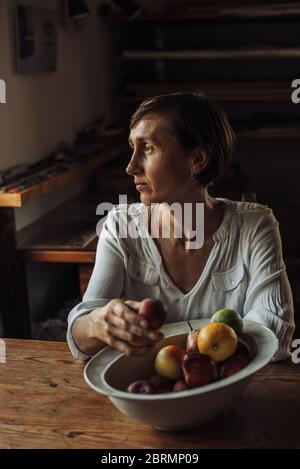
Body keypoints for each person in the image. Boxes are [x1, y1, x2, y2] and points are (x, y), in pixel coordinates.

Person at [67, 93, 295, 361]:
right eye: (132, 148)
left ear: (197, 159)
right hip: (145, 394)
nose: (130, 167)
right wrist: (99, 323)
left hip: (229, 393)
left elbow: (276, 335)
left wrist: (180, 354)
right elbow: (80, 342)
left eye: (148, 148)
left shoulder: (254, 225)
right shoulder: (120, 227)